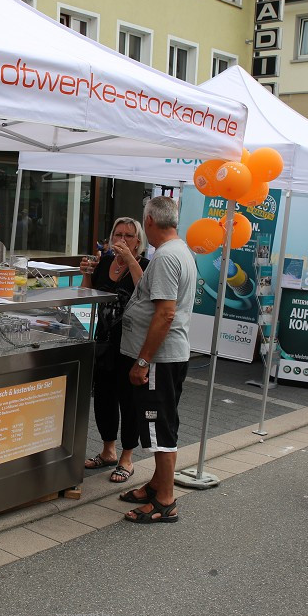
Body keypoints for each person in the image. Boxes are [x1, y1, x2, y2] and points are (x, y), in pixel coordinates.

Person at [116, 196, 196, 524]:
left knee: (159, 427)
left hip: (159, 361)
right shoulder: (178, 251)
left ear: (148, 222)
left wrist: (143, 361)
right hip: (165, 359)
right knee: (161, 422)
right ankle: (156, 485)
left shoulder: (165, 257)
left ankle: (165, 500)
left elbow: (165, 313)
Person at [81, 217, 150, 484]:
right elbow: (87, 296)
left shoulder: (144, 265)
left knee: (129, 400)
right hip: (104, 340)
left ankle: (127, 458)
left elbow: (146, 292)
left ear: (138, 242)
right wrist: (87, 273)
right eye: (117, 234)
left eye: (129, 236)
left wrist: (131, 260)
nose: (121, 240)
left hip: (131, 343)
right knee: (104, 397)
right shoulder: (105, 264)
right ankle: (108, 450)